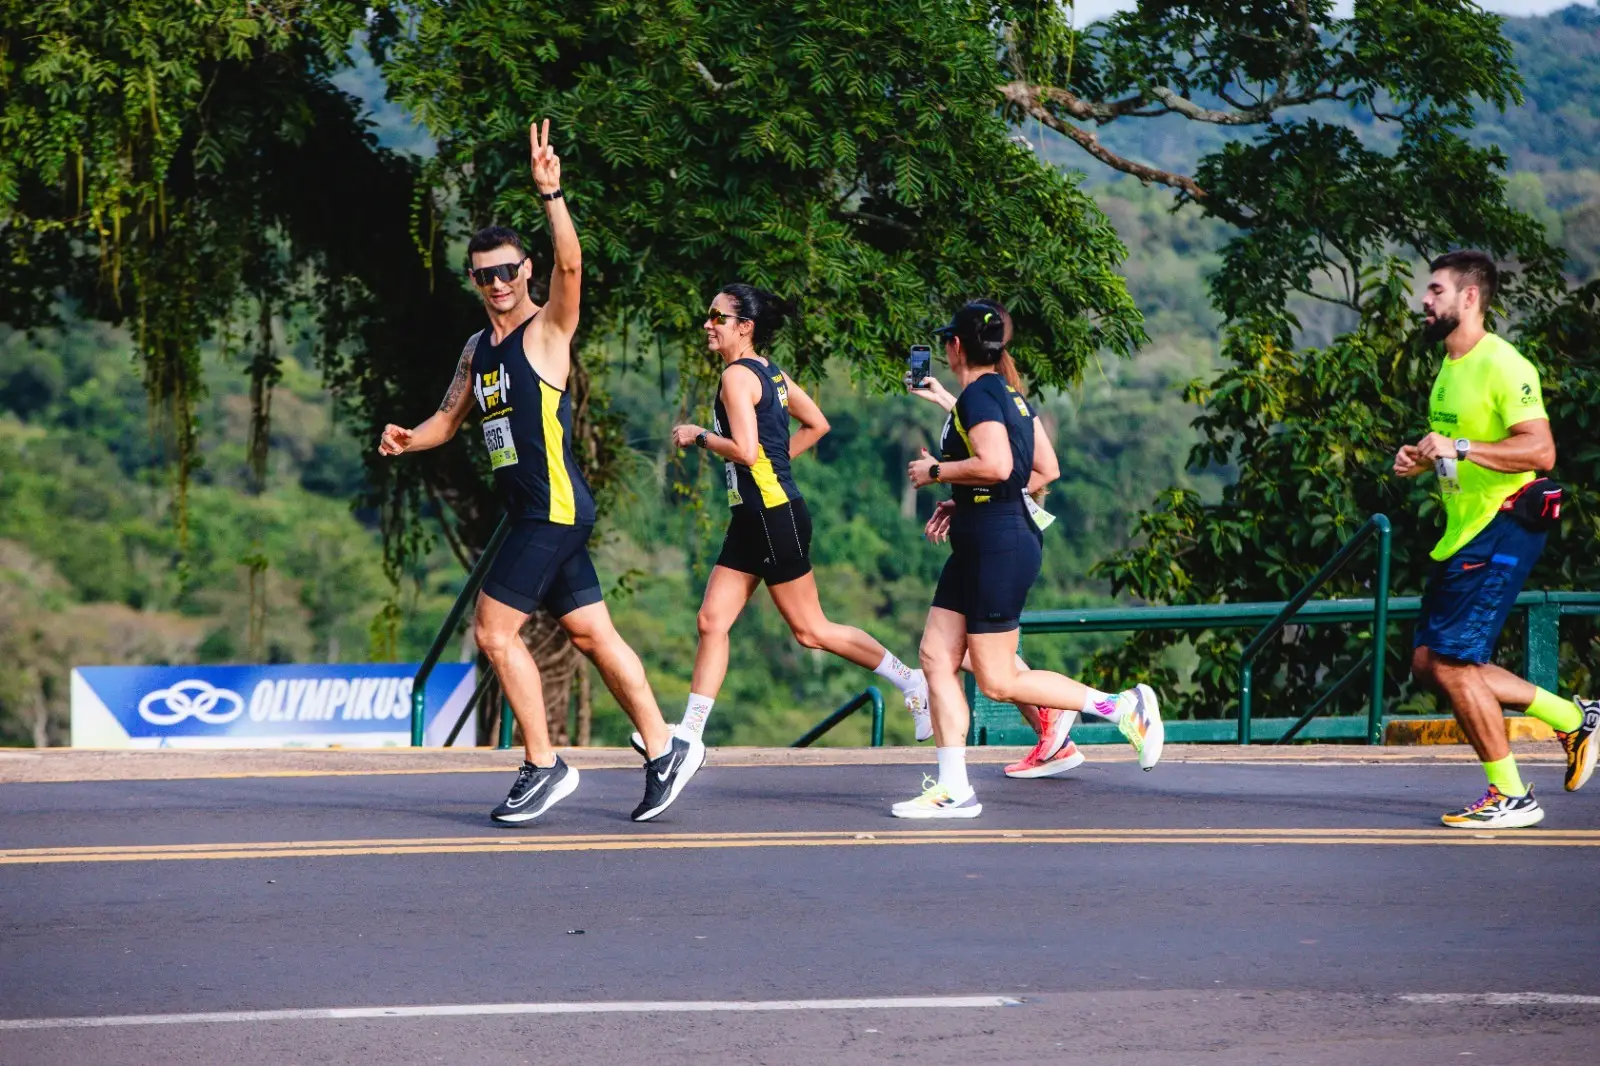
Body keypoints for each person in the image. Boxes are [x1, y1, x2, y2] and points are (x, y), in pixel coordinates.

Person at [379, 121, 701, 825]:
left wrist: (551, 194)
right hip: (536, 511)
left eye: (508, 270)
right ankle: (664, 749)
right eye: (484, 274)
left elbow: (573, 268)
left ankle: (543, 764)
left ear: (526, 270)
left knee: (494, 632)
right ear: (473, 280)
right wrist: (408, 439)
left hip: (551, 507)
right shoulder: (478, 349)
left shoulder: (547, 330)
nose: (497, 283)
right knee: (593, 635)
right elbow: (448, 419)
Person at [898, 300, 1163, 818]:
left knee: (997, 680)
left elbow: (997, 465)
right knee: (935, 656)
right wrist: (968, 500)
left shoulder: (980, 396)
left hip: (998, 546)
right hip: (985, 539)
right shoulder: (1008, 396)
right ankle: (954, 788)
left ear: (956, 346)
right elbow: (1044, 469)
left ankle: (1121, 707)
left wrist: (937, 473)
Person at [657, 284, 930, 749]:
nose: (708, 324)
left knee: (811, 630)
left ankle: (911, 681)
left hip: (772, 515)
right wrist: (774, 465)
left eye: (718, 318)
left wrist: (698, 435)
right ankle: (691, 732)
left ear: (745, 327)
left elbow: (746, 451)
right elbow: (816, 424)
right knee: (711, 621)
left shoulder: (736, 377)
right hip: (752, 516)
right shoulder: (770, 372)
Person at [1395, 250, 1597, 828]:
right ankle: (1573, 719)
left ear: (1469, 297)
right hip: (1464, 530)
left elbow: (1541, 451)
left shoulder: (1504, 364)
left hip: (1502, 524)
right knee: (1430, 662)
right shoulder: (1450, 368)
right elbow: (1460, 449)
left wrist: (1457, 448)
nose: (1424, 300)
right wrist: (1424, 457)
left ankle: (1511, 795)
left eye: (1436, 290)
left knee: (1454, 663)